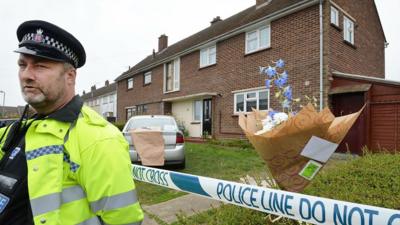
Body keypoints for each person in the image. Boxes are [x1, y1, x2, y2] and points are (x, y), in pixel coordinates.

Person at [0, 20, 144, 225]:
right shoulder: (18, 129)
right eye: (22, 65)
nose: (26, 75)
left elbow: (124, 221)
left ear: (70, 76)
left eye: (40, 66)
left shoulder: (98, 139)